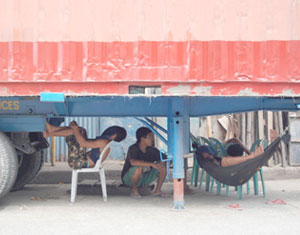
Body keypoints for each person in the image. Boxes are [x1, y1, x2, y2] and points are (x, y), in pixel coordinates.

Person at [44, 121, 127, 169]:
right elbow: (86, 142)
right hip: (81, 160)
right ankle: (52, 130)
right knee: (81, 131)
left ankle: (50, 133)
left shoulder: (104, 142)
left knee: (77, 131)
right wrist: (77, 130)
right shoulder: (105, 142)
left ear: (114, 135)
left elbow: (83, 143)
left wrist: (75, 129)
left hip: (77, 162)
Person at [121, 127, 169, 199]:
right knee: (138, 168)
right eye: (150, 137)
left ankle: (158, 191)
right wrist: (151, 164)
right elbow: (133, 162)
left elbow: (166, 158)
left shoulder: (152, 150)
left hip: (144, 179)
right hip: (129, 179)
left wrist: (163, 163)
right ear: (142, 139)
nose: (152, 139)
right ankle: (134, 190)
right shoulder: (133, 148)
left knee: (162, 168)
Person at [196, 144, 263, 167]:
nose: (208, 155)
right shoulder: (207, 162)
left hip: (226, 164)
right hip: (222, 167)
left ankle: (252, 156)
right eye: (205, 154)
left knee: (224, 160)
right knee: (224, 160)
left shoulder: (215, 157)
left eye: (209, 153)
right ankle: (252, 156)